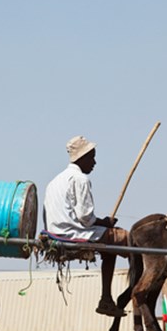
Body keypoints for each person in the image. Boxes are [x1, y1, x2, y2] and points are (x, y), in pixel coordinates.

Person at [43, 136, 129, 318]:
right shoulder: (80, 179)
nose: (95, 163)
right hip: (73, 232)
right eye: (92, 158)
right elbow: (85, 218)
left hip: (57, 230)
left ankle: (106, 299)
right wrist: (105, 222)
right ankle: (134, 294)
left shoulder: (55, 181)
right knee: (129, 240)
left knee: (110, 249)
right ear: (82, 158)